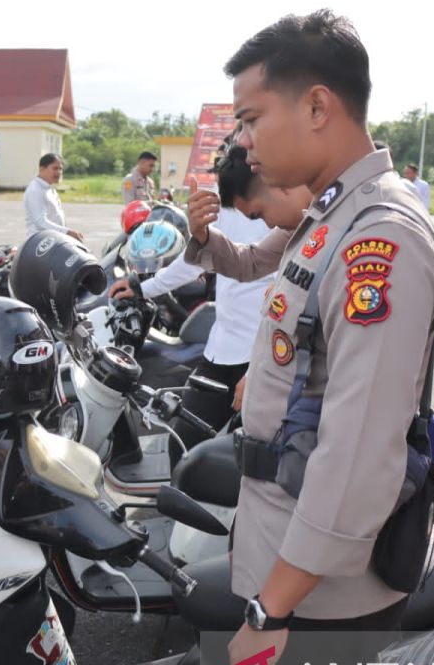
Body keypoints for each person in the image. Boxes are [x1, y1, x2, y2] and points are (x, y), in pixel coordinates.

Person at [184, 10, 434, 665]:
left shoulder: (380, 239)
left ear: (317, 106)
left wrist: (272, 609)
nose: (241, 139)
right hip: (291, 566)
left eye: (249, 117)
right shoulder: (330, 220)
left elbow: (359, 452)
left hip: (318, 597)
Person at [110, 145, 310, 445]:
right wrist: (143, 286)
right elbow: (242, 260)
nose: (265, 224)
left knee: (246, 459)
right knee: (182, 443)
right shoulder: (258, 215)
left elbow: (304, 312)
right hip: (225, 346)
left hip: (267, 356)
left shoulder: (323, 227)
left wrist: (263, 368)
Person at [24, 153, 81, 239]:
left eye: (60, 169)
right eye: (55, 168)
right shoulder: (35, 190)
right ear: (42, 169)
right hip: (41, 244)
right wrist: (67, 232)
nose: (59, 172)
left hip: (54, 240)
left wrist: (65, 234)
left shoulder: (49, 188)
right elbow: (40, 222)